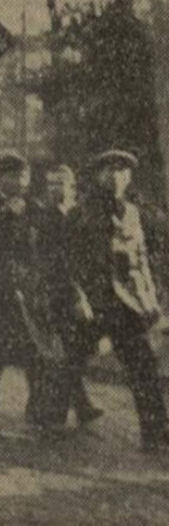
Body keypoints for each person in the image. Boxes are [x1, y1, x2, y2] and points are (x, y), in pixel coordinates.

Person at [70, 150, 169, 453]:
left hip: (127, 302)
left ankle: (156, 433)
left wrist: (150, 299)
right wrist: (79, 297)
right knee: (69, 360)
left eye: (122, 171)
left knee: (143, 365)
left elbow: (140, 260)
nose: (116, 177)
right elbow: (72, 260)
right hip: (95, 301)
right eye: (110, 171)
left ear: (129, 177)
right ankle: (47, 414)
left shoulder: (133, 212)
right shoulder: (83, 211)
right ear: (99, 175)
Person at [0, 154, 64, 439]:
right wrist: (6, 216)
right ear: (0, 178)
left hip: (27, 293)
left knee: (37, 354)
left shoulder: (31, 206)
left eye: (24, 177)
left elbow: (42, 242)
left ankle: (40, 413)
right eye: (15, 177)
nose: (21, 182)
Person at [34, 164, 104, 429]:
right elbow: (55, 263)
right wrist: (76, 295)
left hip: (85, 291)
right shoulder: (47, 219)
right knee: (67, 352)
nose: (55, 189)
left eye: (60, 183)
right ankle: (54, 415)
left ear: (71, 185)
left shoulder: (79, 215)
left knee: (79, 350)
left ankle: (76, 405)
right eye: (51, 184)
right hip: (60, 294)